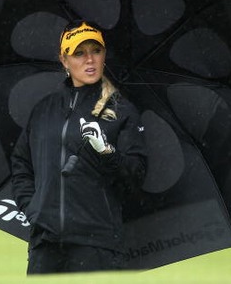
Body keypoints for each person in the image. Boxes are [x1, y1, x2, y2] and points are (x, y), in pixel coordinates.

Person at [10, 21, 147, 274]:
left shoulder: (121, 111)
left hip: (97, 245)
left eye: (96, 51)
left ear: (104, 55)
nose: (90, 60)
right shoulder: (44, 111)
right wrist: (35, 210)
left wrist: (107, 152)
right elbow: (21, 164)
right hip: (45, 245)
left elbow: (135, 177)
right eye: (79, 53)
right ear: (64, 60)